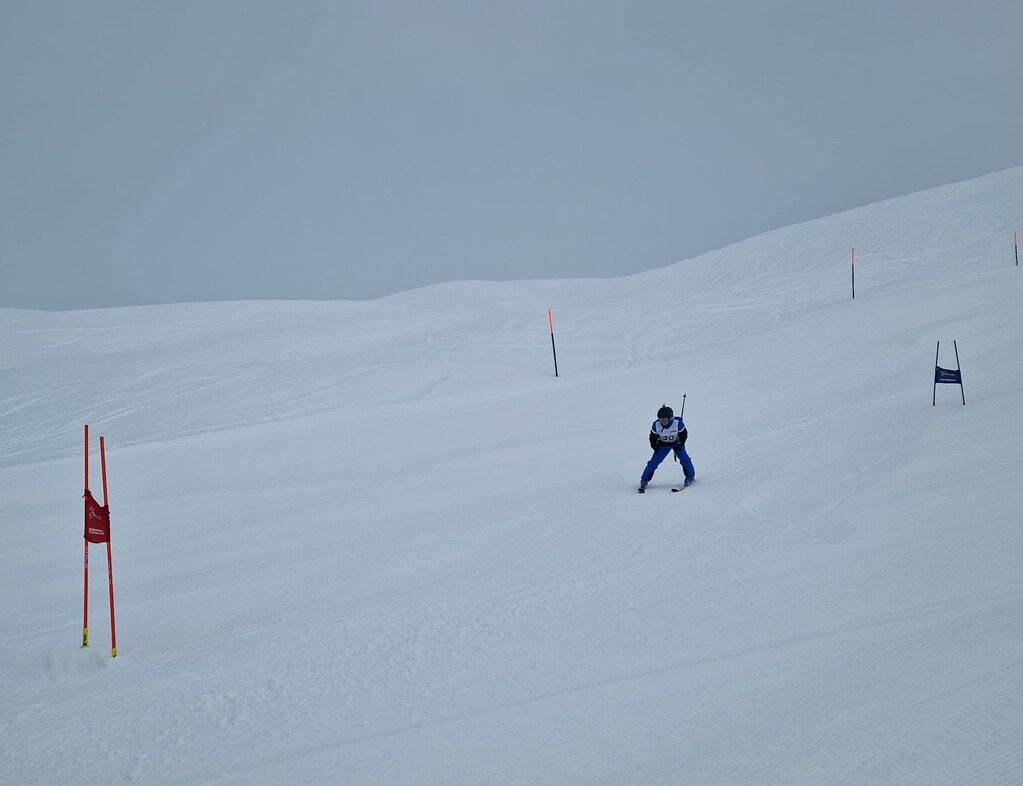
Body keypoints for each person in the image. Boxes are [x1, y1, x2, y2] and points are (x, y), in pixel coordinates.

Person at [638, 404, 695, 492]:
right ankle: (644, 480)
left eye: (665, 420)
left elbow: (684, 435)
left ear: (670, 419)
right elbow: (652, 437)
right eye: (661, 420)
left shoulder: (678, 424)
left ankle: (690, 477)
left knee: (685, 459)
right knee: (653, 462)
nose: (663, 422)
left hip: (676, 444)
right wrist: (654, 446)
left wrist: (680, 444)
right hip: (663, 445)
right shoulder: (656, 425)